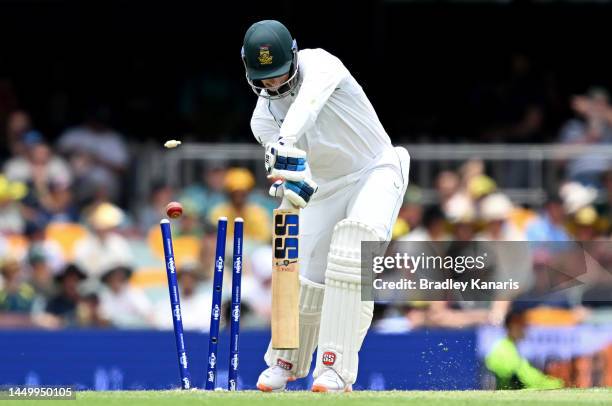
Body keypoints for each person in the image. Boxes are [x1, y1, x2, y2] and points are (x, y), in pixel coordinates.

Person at [242, 20, 410, 392]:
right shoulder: (262, 118)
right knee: (303, 268)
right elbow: (299, 174)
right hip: (328, 188)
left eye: (278, 73)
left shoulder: (322, 64)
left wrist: (285, 141)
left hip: (376, 170)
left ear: (294, 56)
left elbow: (309, 105)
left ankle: (334, 369)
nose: (272, 83)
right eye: (263, 77)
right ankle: (285, 359)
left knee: (352, 250)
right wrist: (290, 183)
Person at [485, 304, 564, 389]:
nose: (525, 328)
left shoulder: (505, 346)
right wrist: (558, 384)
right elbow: (527, 379)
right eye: (522, 324)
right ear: (512, 326)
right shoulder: (505, 350)